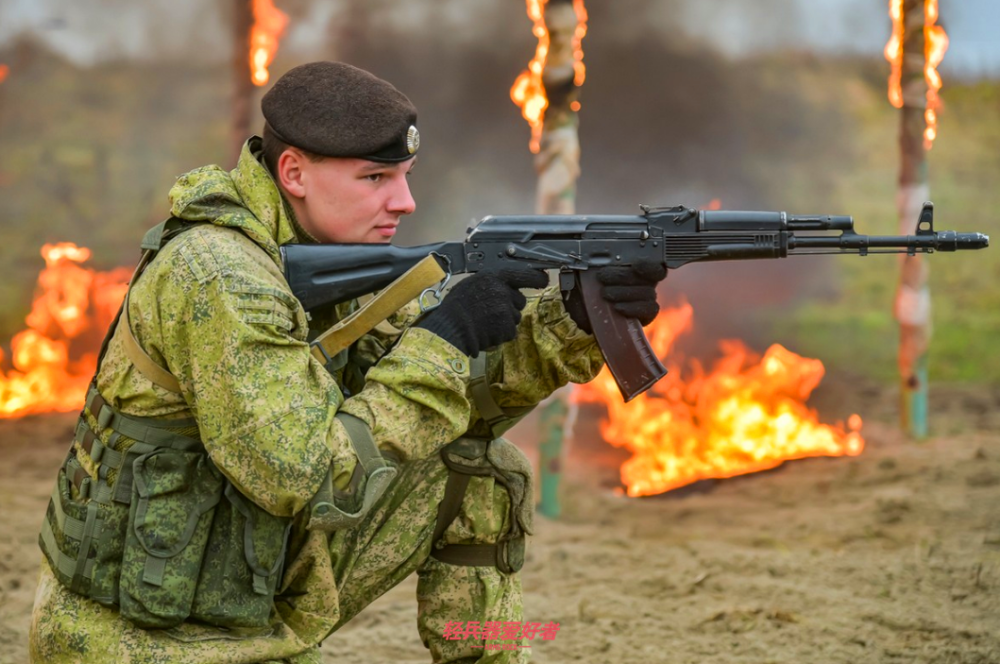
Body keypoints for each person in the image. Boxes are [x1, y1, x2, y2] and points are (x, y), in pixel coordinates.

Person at [29, 61, 665, 664]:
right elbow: (302, 477)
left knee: (476, 467)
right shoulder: (221, 277)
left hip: (231, 585)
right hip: (145, 640)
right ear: (295, 172)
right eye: (375, 178)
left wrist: (568, 323)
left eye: (406, 175)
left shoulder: (316, 247)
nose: (406, 202)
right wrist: (442, 340)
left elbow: (443, 407)